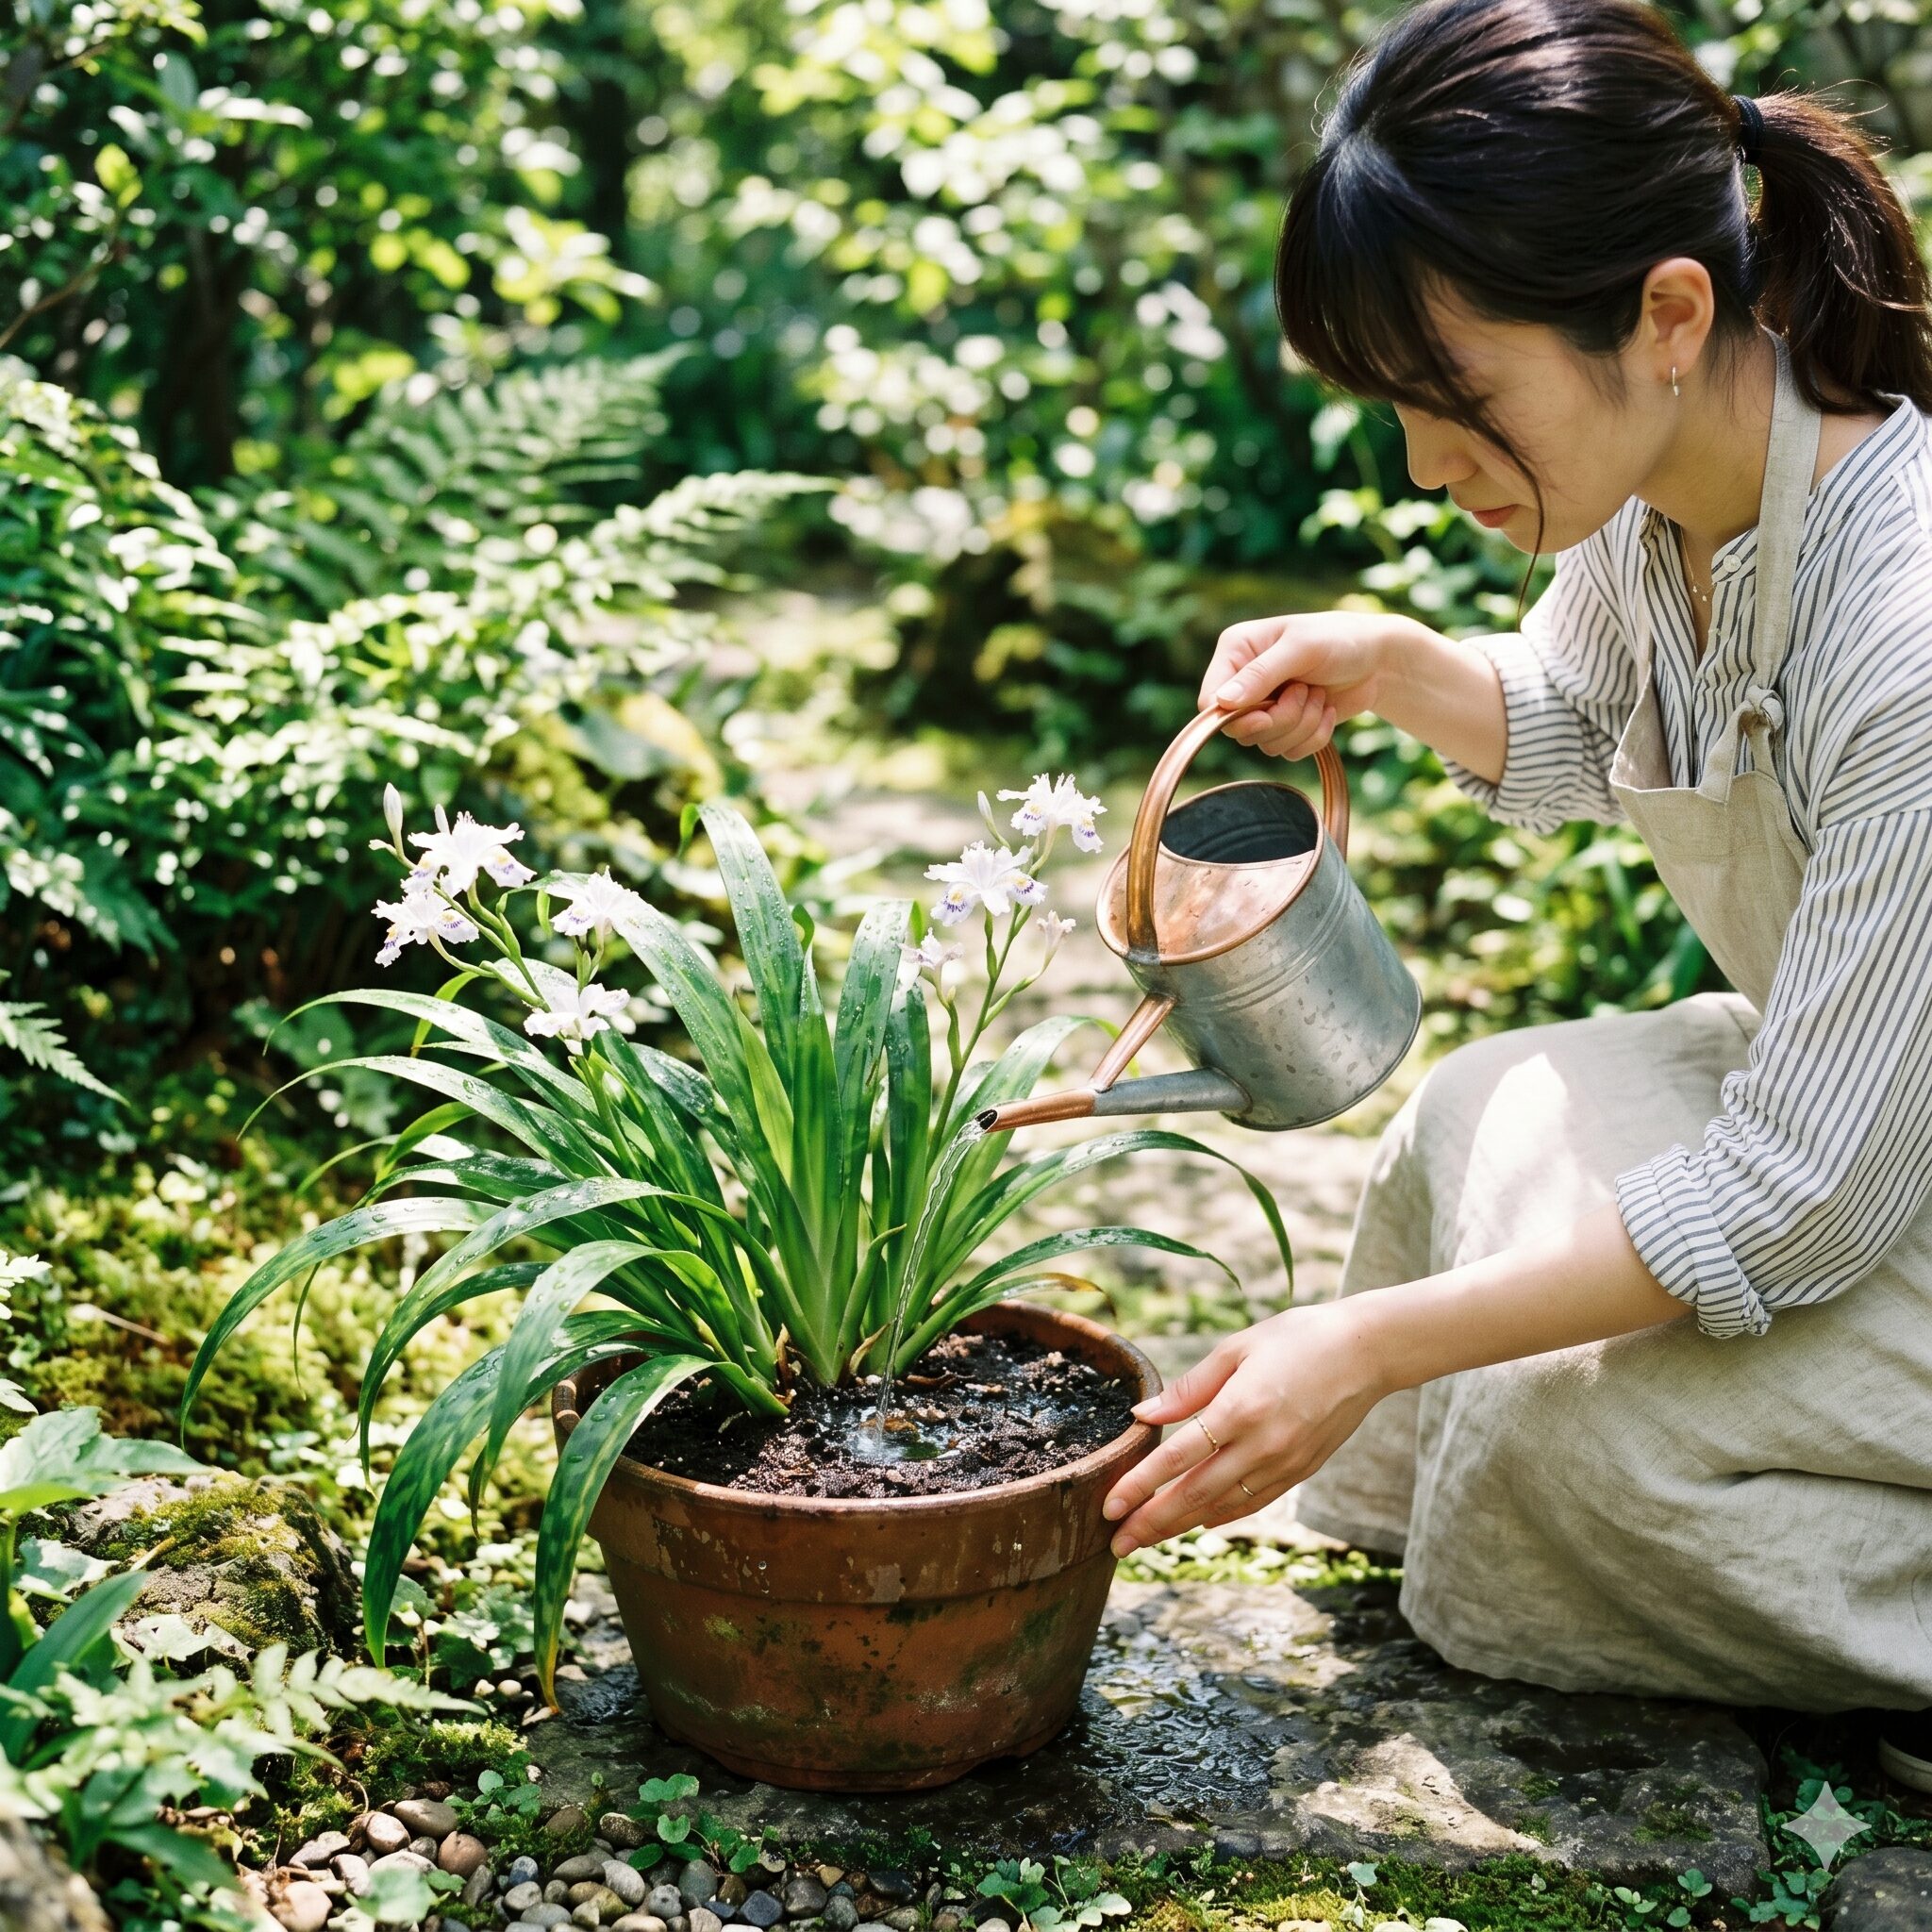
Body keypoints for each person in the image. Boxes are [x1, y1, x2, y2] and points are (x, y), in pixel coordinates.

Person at [1095, 0, 1932, 1790]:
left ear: (1669, 315)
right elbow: (1571, 724)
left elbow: (1800, 1200)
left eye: (1456, 403)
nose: (1423, 463)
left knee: (1564, 1450)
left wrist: (1364, 1345)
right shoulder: (1668, 498)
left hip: (1869, 1172)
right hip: (1865, 1109)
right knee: (1473, 1116)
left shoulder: (1908, 619)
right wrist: (1391, 662)